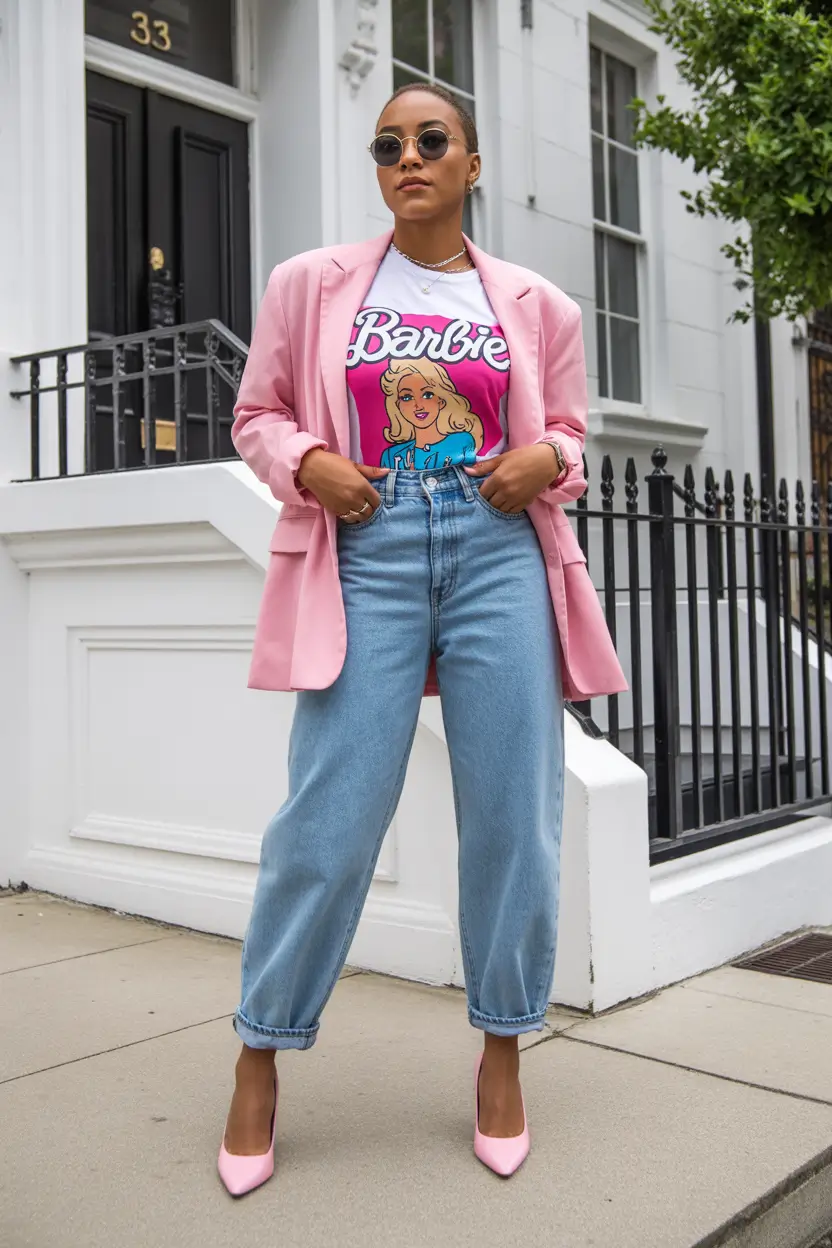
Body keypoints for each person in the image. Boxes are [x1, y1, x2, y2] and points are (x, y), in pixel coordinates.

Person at [217, 81, 626, 1196]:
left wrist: (546, 457)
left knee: (513, 822)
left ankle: (501, 1051)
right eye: (388, 143)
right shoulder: (312, 286)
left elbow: (571, 436)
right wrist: (308, 464)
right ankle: (260, 1055)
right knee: (330, 822)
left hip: (497, 549)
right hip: (370, 547)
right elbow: (257, 413)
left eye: (431, 141)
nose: (408, 158)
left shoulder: (536, 303)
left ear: (472, 165)